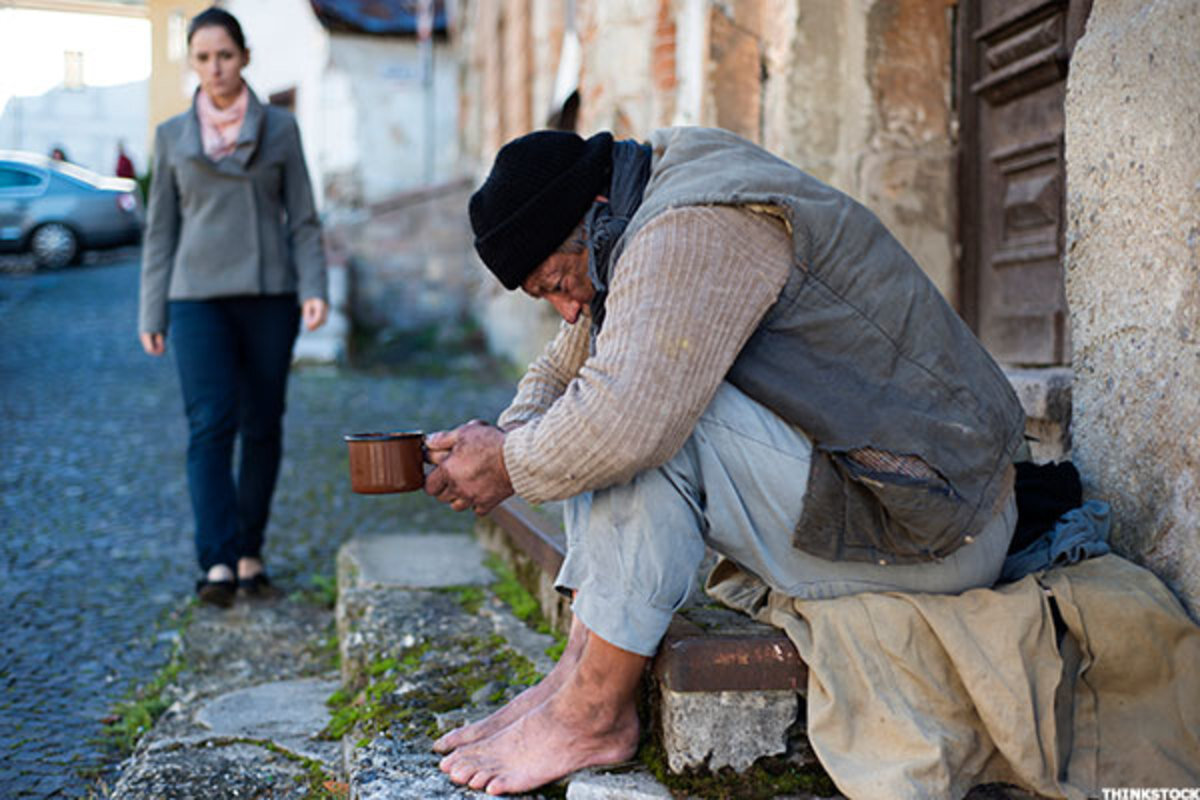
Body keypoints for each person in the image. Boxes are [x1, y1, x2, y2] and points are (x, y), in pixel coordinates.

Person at [423, 127, 1026, 795]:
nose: (569, 309)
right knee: (612, 404)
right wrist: (503, 438)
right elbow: (565, 366)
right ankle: (575, 680)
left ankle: (594, 713)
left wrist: (507, 462)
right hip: (915, 506)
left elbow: (622, 423)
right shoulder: (641, 196)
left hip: (937, 533)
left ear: (592, 213)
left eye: (560, 284)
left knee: (643, 422)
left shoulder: (693, 225)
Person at [138, 6, 328, 608]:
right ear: (192, 63)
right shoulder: (171, 136)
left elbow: (302, 217)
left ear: (244, 56)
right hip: (195, 298)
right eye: (202, 58)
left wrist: (313, 287)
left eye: (224, 55)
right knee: (210, 424)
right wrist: (152, 311)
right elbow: (159, 231)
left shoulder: (279, 128)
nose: (215, 68)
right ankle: (216, 560)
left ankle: (250, 551)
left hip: (269, 294)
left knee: (262, 423)